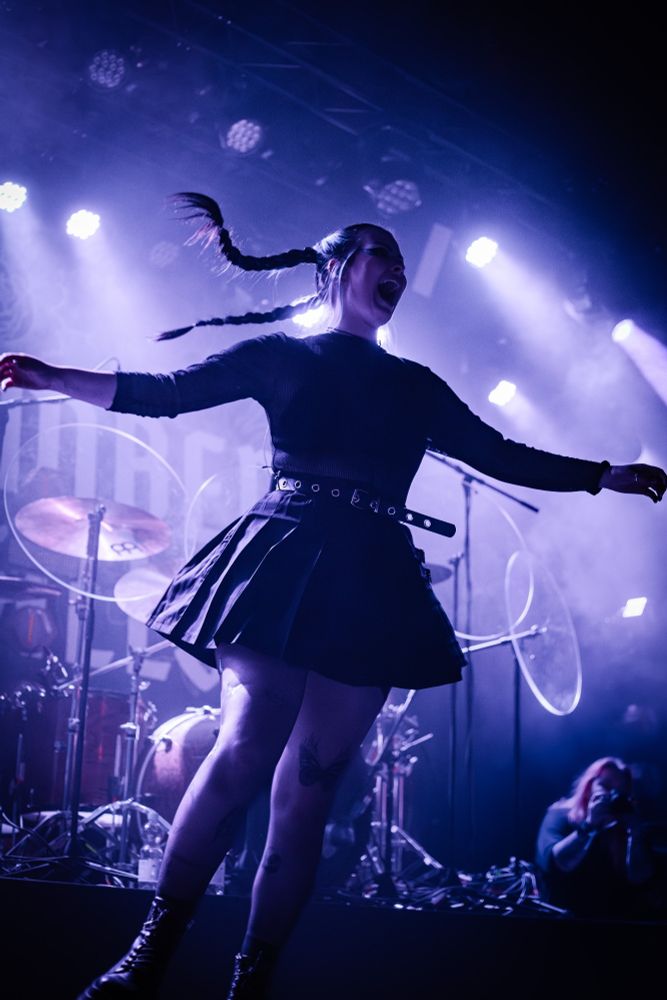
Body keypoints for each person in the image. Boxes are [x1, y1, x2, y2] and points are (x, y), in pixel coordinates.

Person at [1, 193, 665, 998]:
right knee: (245, 747)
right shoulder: (283, 356)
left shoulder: (415, 384)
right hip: (282, 553)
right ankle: (149, 955)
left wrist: (602, 475)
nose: (396, 270)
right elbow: (165, 390)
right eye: (380, 253)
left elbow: (499, 453)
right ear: (336, 268)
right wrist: (52, 376)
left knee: (310, 789)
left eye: (403, 263)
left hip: (371, 575)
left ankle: (252, 983)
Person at [535, 756, 658, 918]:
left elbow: (642, 878)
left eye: (619, 792)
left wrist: (635, 835)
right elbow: (554, 862)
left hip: (615, 923)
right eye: (605, 786)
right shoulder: (560, 814)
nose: (611, 796)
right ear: (588, 786)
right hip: (564, 922)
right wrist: (589, 825)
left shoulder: (625, 826)